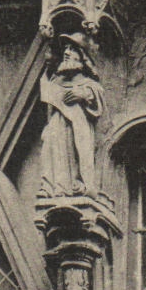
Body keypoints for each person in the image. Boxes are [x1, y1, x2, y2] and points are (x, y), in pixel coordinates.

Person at [40, 33, 105, 197]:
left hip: (76, 127)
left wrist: (83, 94)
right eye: (66, 49)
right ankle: (52, 186)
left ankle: (78, 184)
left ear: (83, 57)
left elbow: (96, 96)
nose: (66, 53)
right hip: (56, 126)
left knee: (73, 151)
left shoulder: (89, 84)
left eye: (72, 49)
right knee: (52, 148)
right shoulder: (56, 81)